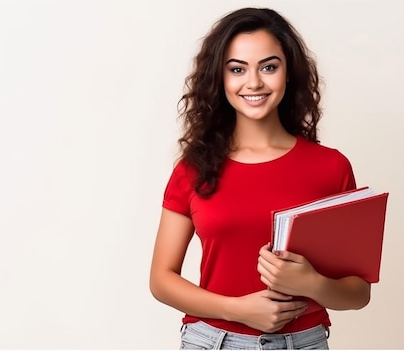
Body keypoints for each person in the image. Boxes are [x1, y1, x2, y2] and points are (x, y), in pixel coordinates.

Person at [150, 7, 371, 350]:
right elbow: (161, 280)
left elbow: (358, 293)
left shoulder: (331, 167)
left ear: (289, 73)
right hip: (212, 342)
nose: (253, 82)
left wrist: (310, 283)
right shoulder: (194, 168)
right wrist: (237, 310)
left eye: (269, 67)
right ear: (220, 79)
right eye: (237, 69)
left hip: (304, 343)